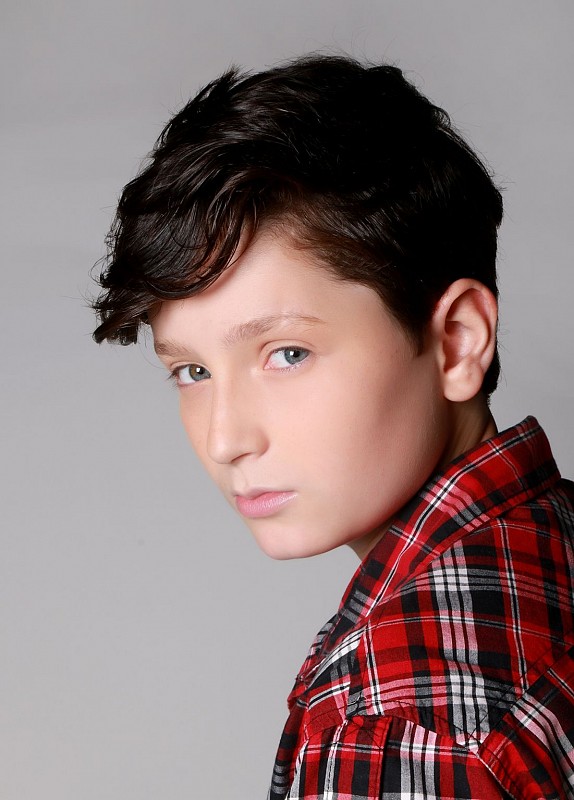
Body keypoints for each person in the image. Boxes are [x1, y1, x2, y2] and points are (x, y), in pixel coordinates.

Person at [92, 55, 574, 799]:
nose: (226, 439)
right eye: (191, 371)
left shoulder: (401, 728)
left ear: (458, 342)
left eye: (287, 354)